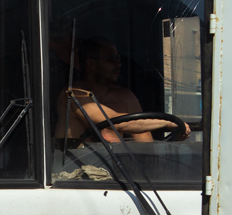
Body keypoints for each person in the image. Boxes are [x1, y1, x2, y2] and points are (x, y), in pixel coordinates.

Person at [58, 37, 189, 144]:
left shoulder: (125, 97)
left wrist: (174, 139)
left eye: (119, 58)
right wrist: (168, 122)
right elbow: (113, 121)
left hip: (118, 170)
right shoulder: (73, 94)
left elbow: (145, 144)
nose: (119, 64)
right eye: (112, 59)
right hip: (74, 172)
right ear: (91, 63)